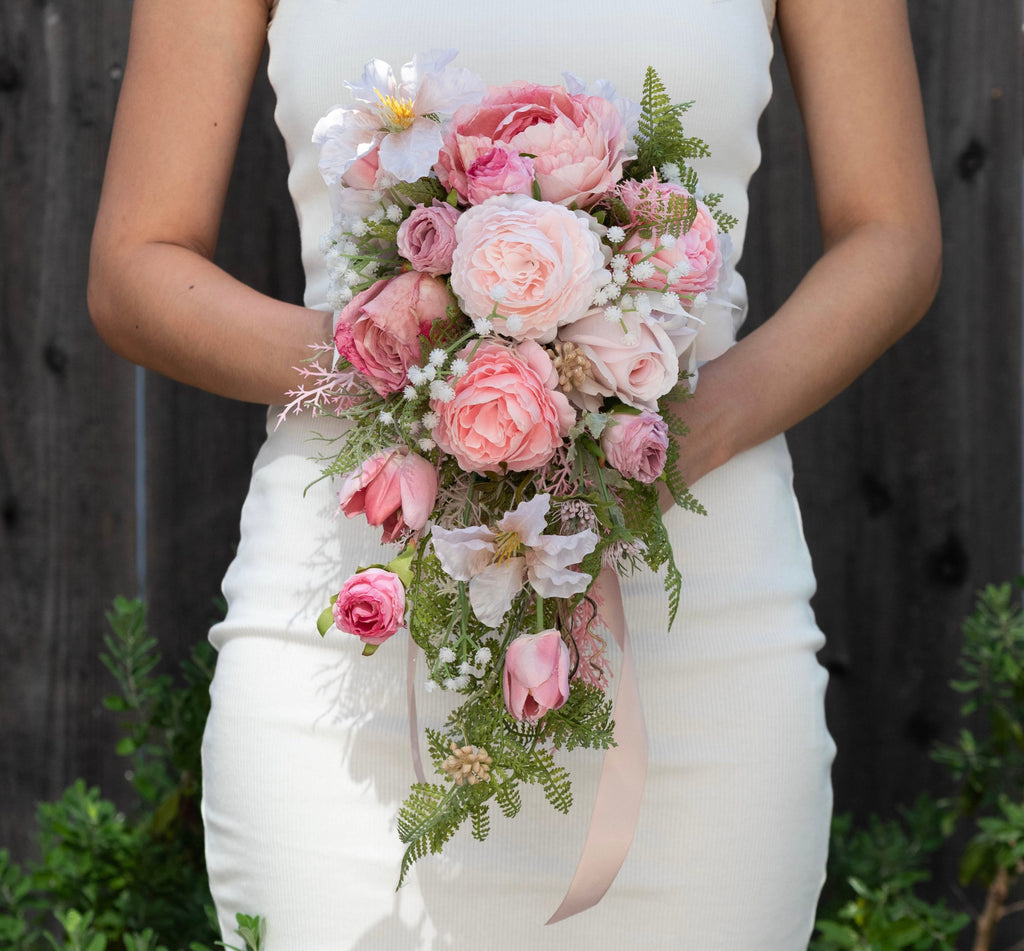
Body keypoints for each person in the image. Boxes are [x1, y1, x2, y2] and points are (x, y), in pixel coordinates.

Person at [88, 0, 941, 947]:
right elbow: (136, 266)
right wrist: (414, 365)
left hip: (700, 637)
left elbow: (892, 233)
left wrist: (693, 423)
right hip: (348, 653)